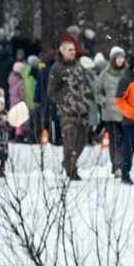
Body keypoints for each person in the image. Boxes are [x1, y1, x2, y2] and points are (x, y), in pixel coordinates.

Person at [52, 44, 97, 179]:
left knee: (81, 141)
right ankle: (71, 170)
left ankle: (68, 163)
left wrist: (87, 100)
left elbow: (86, 85)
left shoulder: (78, 66)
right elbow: (52, 91)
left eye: (73, 50)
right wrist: (65, 101)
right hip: (68, 113)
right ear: (62, 51)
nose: (73, 52)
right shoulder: (57, 68)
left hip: (83, 111)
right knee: (70, 142)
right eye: (70, 50)